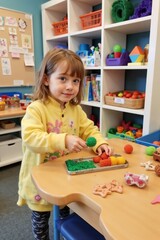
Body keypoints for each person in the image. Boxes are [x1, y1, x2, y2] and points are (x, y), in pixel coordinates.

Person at [17, 48, 113, 240]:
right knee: (41, 220)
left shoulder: (75, 110)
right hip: (41, 180)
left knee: (64, 214)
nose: (70, 86)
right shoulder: (37, 109)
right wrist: (63, 140)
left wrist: (100, 143)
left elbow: (89, 129)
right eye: (63, 79)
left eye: (75, 81)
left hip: (66, 177)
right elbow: (31, 137)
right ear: (46, 79)